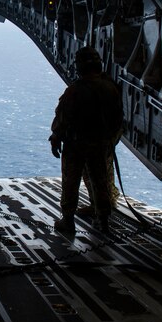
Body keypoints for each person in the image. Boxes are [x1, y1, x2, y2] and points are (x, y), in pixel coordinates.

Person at [49, 46, 123, 235]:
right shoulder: (111, 88)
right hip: (100, 143)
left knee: (71, 181)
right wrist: (109, 142)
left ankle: (68, 220)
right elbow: (118, 120)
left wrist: (56, 137)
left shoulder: (76, 90)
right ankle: (103, 220)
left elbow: (63, 118)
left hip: (76, 145)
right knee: (100, 180)